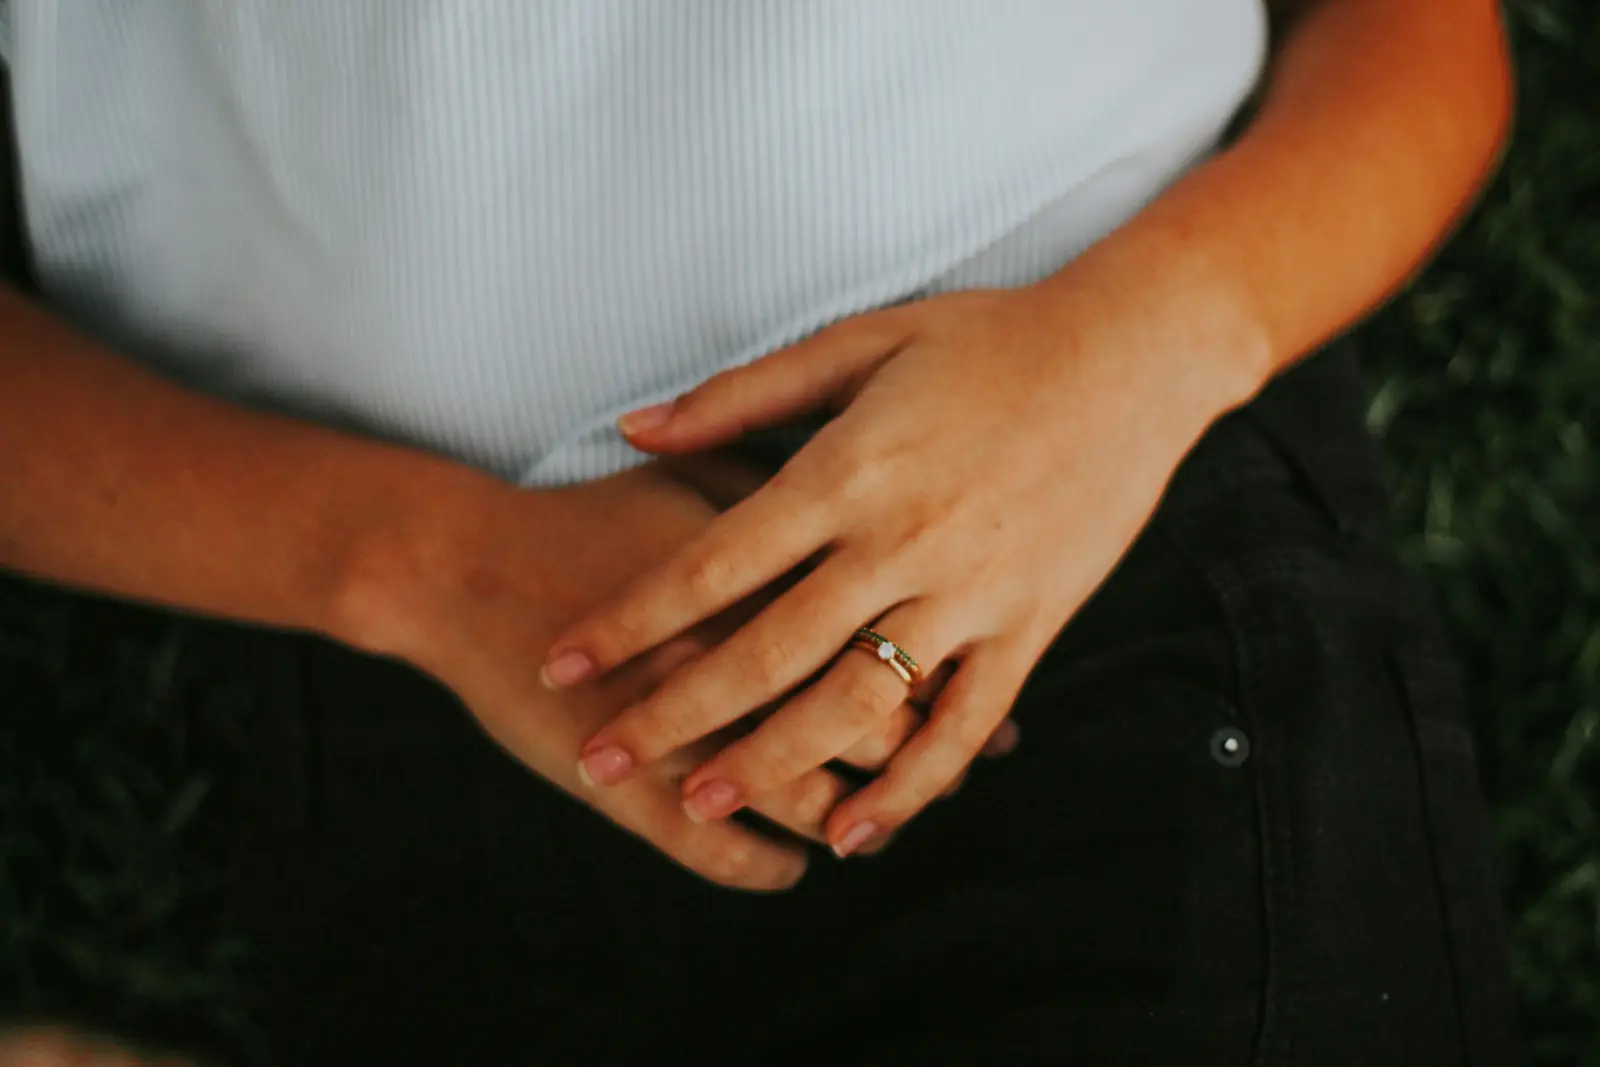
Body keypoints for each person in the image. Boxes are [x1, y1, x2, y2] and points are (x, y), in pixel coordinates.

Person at [0, 1, 1518, 1064]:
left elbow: (1421, 33)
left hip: (1077, 539)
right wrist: (422, 567)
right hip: (434, 657)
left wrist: (1145, 345)